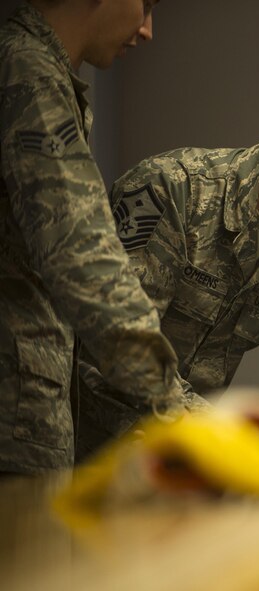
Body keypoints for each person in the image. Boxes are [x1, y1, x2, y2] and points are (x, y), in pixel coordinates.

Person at [75, 69, 259, 459]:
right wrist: (233, 433)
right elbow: (118, 347)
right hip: (84, 442)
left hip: (183, 462)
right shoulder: (173, 188)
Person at [0, 0, 194, 475]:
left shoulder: (38, 69)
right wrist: (175, 409)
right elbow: (84, 257)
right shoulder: (26, 70)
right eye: (145, 5)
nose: (147, 30)